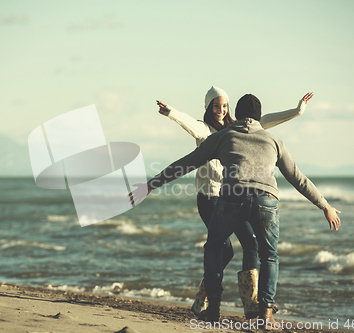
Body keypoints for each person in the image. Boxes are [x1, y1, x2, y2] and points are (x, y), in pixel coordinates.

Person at [129, 93, 341, 330]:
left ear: (236, 114)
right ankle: (265, 314)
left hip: (232, 198)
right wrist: (325, 205)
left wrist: (151, 185)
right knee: (269, 255)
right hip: (266, 200)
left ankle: (214, 310)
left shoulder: (222, 136)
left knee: (214, 248)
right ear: (260, 116)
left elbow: (186, 162)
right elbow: (298, 178)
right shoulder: (274, 141)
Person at [156, 86, 314, 318]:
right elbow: (189, 123)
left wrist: (297, 111)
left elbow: (262, 120)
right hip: (210, 198)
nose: (221, 110)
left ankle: (250, 303)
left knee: (251, 244)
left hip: (231, 198)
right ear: (209, 107)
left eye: (225, 106)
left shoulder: (234, 129)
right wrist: (171, 112)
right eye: (216, 106)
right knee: (225, 250)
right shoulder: (204, 129)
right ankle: (205, 296)